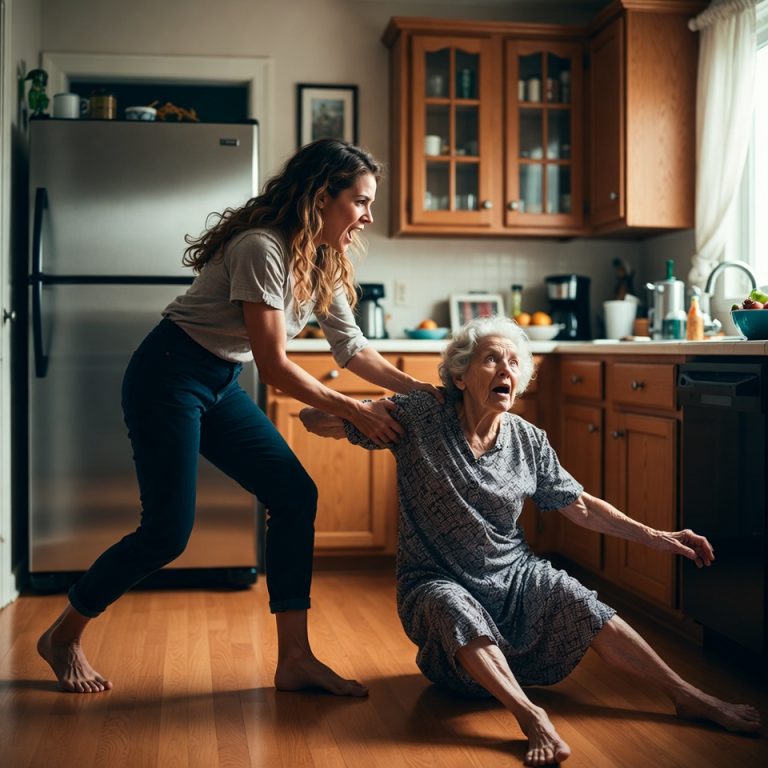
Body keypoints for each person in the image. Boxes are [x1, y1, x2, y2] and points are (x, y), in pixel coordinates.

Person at [37, 138, 441, 695]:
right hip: (168, 375)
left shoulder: (322, 256)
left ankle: (295, 659)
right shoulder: (261, 247)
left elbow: (352, 348)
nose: (368, 216)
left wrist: (420, 389)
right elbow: (273, 365)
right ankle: (63, 635)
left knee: (294, 496)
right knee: (166, 533)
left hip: (219, 381)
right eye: (361, 201)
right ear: (322, 196)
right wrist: (355, 409)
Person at [300, 315, 762, 766]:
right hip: (435, 581)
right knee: (451, 605)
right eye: (490, 359)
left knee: (578, 598)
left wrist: (659, 537)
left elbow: (580, 506)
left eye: (513, 363)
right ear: (459, 377)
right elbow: (310, 418)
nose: (505, 369)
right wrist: (357, 410)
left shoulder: (528, 440)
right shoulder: (421, 416)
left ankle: (688, 695)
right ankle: (531, 716)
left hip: (514, 578)